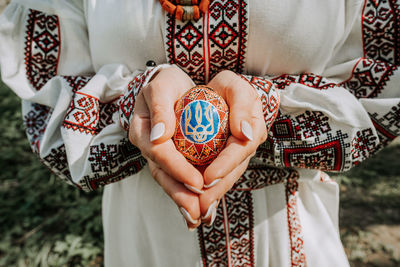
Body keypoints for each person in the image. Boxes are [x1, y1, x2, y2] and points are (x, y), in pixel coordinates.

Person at [0, 0, 399, 266]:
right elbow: (44, 92)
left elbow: (384, 85)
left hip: (290, 232)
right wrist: (134, 106)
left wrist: (266, 109)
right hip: (145, 239)